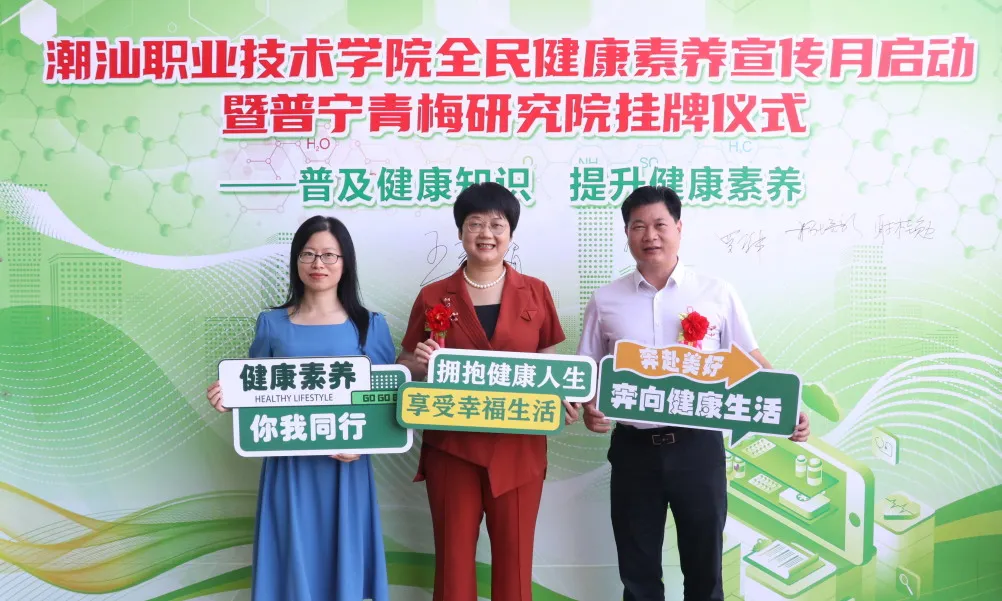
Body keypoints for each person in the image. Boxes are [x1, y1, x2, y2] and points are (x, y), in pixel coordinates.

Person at [576, 186, 811, 601]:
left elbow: (749, 357)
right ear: (627, 233)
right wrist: (591, 409)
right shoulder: (606, 300)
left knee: (705, 571)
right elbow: (589, 373)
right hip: (634, 452)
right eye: (638, 226)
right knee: (638, 573)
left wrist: (787, 406)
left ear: (679, 228)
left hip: (697, 447)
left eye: (660, 224)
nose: (650, 235)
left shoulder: (715, 292)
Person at [396, 181, 571, 601]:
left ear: (510, 233)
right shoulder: (433, 296)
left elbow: (551, 368)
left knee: (515, 568)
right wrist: (419, 363)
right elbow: (404, 365)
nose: (486, 234)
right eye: (475, 223)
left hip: (519, 449)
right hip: (451, 447)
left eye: (497, 224)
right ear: (460, 231)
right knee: (453, 568)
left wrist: (564, 399)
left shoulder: (537, 292)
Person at [205, 216, 393, 601]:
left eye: (329, 255)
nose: (318, 264)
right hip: (288, 465)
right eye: (308, 254)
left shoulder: (370, 326)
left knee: (341, 572)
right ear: (296, 261)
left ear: (345, 262)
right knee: (291, 568)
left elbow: (385, 401)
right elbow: (255, 393)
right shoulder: (271, 324)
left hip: (346, 470)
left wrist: (362, 445)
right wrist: (229, 400)